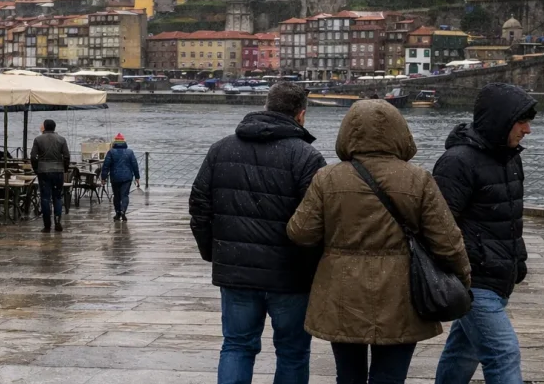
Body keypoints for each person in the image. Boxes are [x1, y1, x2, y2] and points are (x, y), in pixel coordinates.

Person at [288, 100, 470, 384]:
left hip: (342, 293)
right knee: (390, 377)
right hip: (402, 294)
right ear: (401, 133)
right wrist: (462, 279)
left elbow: (301, 232)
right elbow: (448, 242)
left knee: (348, 376)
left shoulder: (328, 178)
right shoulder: (417, 179)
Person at [189, 81, 326, 384]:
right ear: (301, 115)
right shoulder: (306, 156)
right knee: (292, 351)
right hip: (291, 276)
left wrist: (212, 252)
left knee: (237, 346)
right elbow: (318, 220)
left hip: (236, 270)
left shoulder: (220, 149)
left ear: (267, 105)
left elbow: (199, 204)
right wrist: (312, 266)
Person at [433, 82, 536, 384]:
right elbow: (439, 225)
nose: (527, 130)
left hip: (499, 274)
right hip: (473, 278)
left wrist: (518, 259)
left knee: (463, 351)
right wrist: (461, 269)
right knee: (503, 353)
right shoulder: (457, 162)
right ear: (501, 120)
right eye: (521, 121)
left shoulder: (510, 158)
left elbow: (509, 217)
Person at [30, 119, 70, 233]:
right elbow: (66, 156)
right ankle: (57, 221)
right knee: (57, 197)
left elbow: (33, 157)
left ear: (44, 127)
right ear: (54, 127)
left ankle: (47, 225)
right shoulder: (62, 140)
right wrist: (65, 169)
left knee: (45, 198)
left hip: (43, 171)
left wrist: (36, 169)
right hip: (58, 171)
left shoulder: (38, 139)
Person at [101, 133, 140, 222]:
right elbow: (134, 165)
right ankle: (123, 210)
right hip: (127, 177)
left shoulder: (111, 152)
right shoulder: (130, 152)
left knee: (116, 196)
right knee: (125, 195)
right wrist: (137, 177)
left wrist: (103, 177)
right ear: (124, 142)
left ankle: (118, 212)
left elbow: (106, 165)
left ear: (114, 143)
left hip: (115, 177)